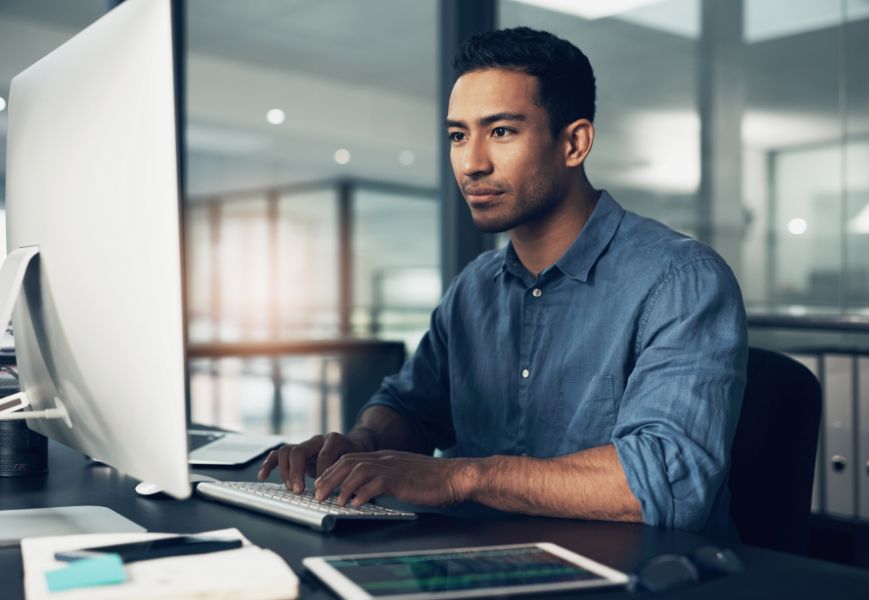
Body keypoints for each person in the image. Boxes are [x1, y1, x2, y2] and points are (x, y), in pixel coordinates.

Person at [258, 27, 747, 533]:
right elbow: (410, 405)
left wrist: (460, 478)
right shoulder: (475, 286)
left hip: (636, 577)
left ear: (574, 143)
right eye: (458, 135)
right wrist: (360, 444)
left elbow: (666, 479)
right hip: (478, 560)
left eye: (501, 132)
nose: (471, 163)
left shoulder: (681, 280)